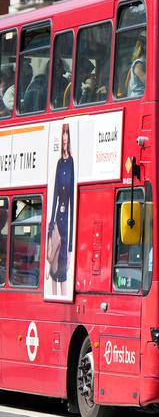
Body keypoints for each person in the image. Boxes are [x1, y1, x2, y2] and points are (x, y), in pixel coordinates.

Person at [47, 124, 75, 298]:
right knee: (54, 266)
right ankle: (53, 299)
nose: (64, 143)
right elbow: (54, 198)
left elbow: (72, 202)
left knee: (63, 269)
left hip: (66, 222)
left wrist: (71, 246)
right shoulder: (59, 163)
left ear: (69, 141)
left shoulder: (72, 163)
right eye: (63, 140)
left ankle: (62, 300)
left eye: (66, 140)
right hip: (58, 220)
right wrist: (51, 228)